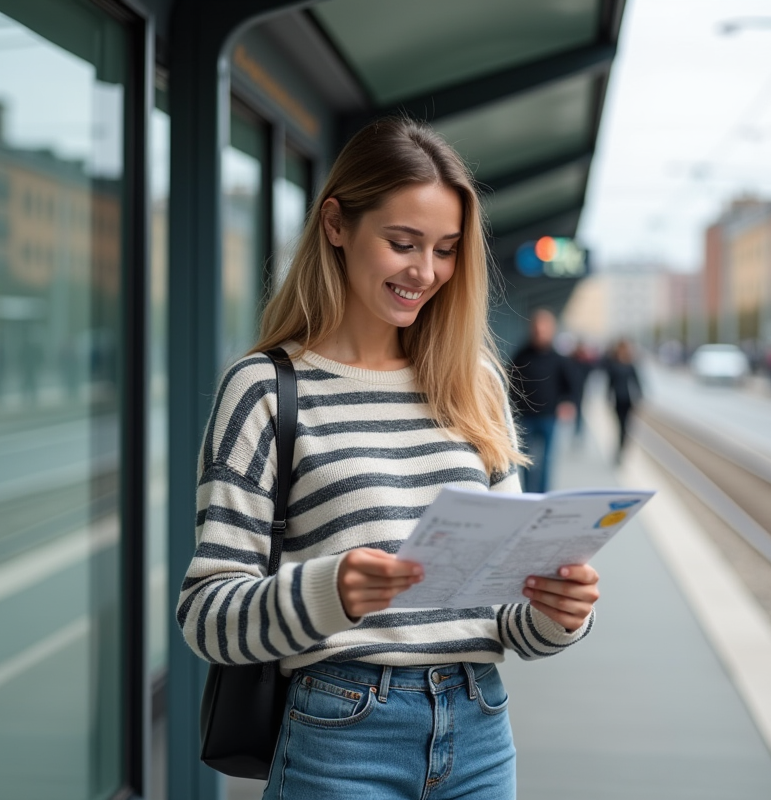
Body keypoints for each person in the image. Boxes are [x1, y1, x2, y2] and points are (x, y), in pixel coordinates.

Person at [176, 118, 599, 799]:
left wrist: (560, 612)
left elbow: (509, 621)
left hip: (481, 728)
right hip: (340, 733)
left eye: (446, 250)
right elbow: (207, 617)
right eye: (402, 243)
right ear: (336, 224)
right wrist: (329, 591)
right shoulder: (263, 389)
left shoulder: (476, 383)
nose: (425, 272)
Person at [508, 309, 577, 493]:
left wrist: (567, 403)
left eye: (544, 327)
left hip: (549, 416)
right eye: (537, 327)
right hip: (525, 417)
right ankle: (529, 495)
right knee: (526, 459)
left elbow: (571, 385)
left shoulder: (559, 359)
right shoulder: (521, 355)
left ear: (552, 329)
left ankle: (544, 494)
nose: (540, 331)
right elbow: (510, 382)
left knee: (547, 459)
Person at [605, 338, 645, 463]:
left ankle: (622, 449)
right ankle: (619, 449)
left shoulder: (630, 365)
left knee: (626, 427)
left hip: (628, 400)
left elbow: (637, 382)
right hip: (618, 400)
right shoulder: (614, 364)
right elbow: (610, 383)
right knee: (619, 426)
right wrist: (607, 397)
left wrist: (639, 397)